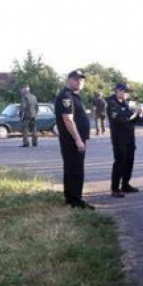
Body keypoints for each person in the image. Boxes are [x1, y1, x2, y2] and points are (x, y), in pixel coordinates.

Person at [55, 69, 93, 209]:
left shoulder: (74, 96)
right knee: (75, 170)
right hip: (72, 141)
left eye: (82, 79)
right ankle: (75, 200)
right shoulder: (66, 96)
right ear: (69, 80)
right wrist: (78, 139)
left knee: (73, 169)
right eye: (76, 79)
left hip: (75, 140)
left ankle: (72, 199)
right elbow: (68, 119)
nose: (80, 82)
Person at [106, 83, 143, 198]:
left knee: (129, 161)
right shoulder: (112, 103)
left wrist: (139, 114)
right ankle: (115, 188)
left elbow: (131, 120)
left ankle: (125, 184)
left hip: (129, 137)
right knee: (120, 162)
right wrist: (134, 114)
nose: (127, 94)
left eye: (128, 92)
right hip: (119, 138)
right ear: (118, 90)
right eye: (125, 91)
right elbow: (121, 119)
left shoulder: (125, 103)